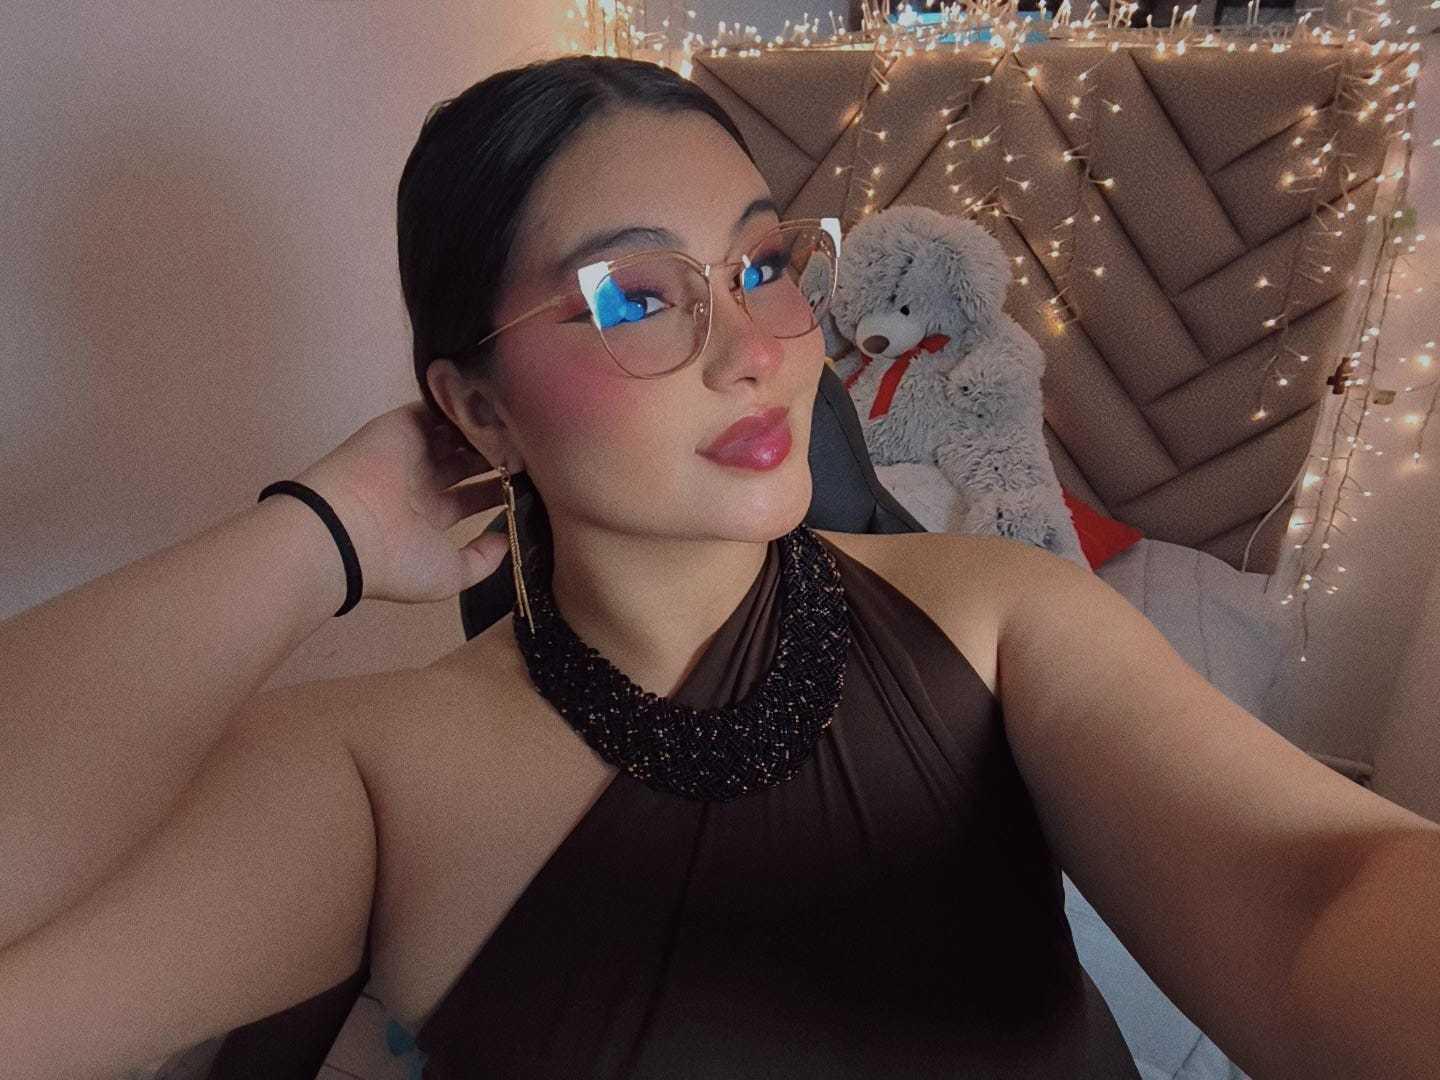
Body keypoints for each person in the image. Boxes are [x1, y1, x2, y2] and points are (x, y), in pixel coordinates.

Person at [2, 53, 1438, 1080]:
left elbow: (1313, 888)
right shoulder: (372, 777)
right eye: (634, 294)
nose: (755, 349)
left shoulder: (999, 619)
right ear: (478, 406)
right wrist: (316, 531)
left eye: (761, 264)